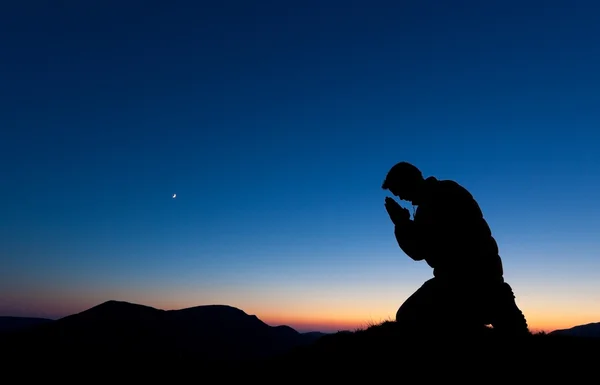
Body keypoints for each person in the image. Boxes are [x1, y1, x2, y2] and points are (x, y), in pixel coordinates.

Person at [382, 161, 528, 337]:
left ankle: (488, 306)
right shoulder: (443, 193)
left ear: (408, 181)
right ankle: (495, 302)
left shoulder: (436, 199)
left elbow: (419, 250)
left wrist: (402, 224)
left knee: (409, 316)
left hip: (463, 280)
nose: (401, 198)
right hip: (481, 274)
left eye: (399, 191)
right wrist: (406, 224)